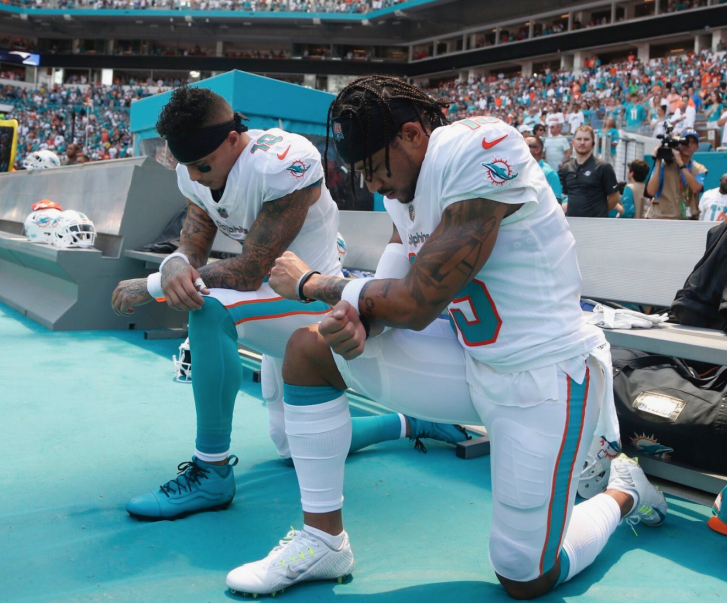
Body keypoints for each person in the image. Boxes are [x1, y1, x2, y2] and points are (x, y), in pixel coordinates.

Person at [227, 74, 667, 600]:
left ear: (412, 135)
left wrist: (315, 283)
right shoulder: (405, 189)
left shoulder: (479, 148)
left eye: (373, 168)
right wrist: (357, 322)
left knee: (524, 577)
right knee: (309, 348)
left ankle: (623, 491)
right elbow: (388, 301)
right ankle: (324, 541)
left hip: (545, 376)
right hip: (467, 361)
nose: (371, 185)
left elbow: (416, 301)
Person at [109, 86, 466, 520]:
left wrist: (153, 285)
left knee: (211, 307)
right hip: (267, 303)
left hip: (309, 295)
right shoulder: (195, 171)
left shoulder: (283, 162)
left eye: (203, 165)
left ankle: (212, 471)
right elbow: (197, 233)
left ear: (233, 140)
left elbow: (250, 271)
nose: (197, 176)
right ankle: (411, 422)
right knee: (290, 445)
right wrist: (177, 262)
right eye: (189, 167)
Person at [644, 129, 708, 220]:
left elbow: (696, 189)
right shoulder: (664, 165)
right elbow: (651, 191)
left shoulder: (699, 168)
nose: (688, 145)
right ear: (679, 144)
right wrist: (658, 161)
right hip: (661, 218)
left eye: (693, 142)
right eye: (686, 141)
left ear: (697, 147)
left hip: (686, 219)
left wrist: (680, 164)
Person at [560, 125, 620, 217]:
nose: (582, 142)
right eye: (579, 139)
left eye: (586, 139)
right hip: (572, 223)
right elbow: (569, 196)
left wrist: (600, 213)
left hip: (595, 225)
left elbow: (615, 197)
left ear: (593, 143)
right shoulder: (567, 168)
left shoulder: (603, 167)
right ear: (573, 142)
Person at [526, 136, 563, 201]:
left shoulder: (549, 172)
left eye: (526, 145)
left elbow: (557, 200)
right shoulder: (520, 170)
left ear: (537, 150)